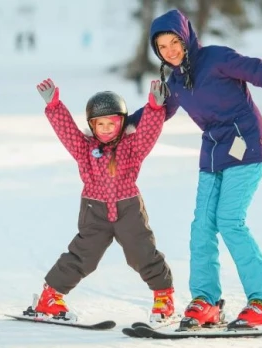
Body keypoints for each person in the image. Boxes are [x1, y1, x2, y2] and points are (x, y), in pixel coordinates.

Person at [128, 9, 262, 329]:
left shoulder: (216, 58)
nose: (170, 50)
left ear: (186, 38)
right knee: (202, 224)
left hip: (246, 144)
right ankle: (206, 302)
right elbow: (158, 114)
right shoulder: (174, 81)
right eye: (162, 47)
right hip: (213, 153)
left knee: (230, 221)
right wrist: (121, 125)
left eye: (174, 41)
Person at [30, 78, 174, 323]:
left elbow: (149, 133)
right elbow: (67, 132)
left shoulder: (132, 146)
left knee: (142, 252)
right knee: (83, 255)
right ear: (92, 125)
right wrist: (54, 106)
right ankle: (50, 298)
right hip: (93, 210)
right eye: (100, 124)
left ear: (122, 123)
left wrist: (154, 108)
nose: (106, 128)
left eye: (112, 123)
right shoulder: (85, 148)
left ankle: (163, 297)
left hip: (128, 208)